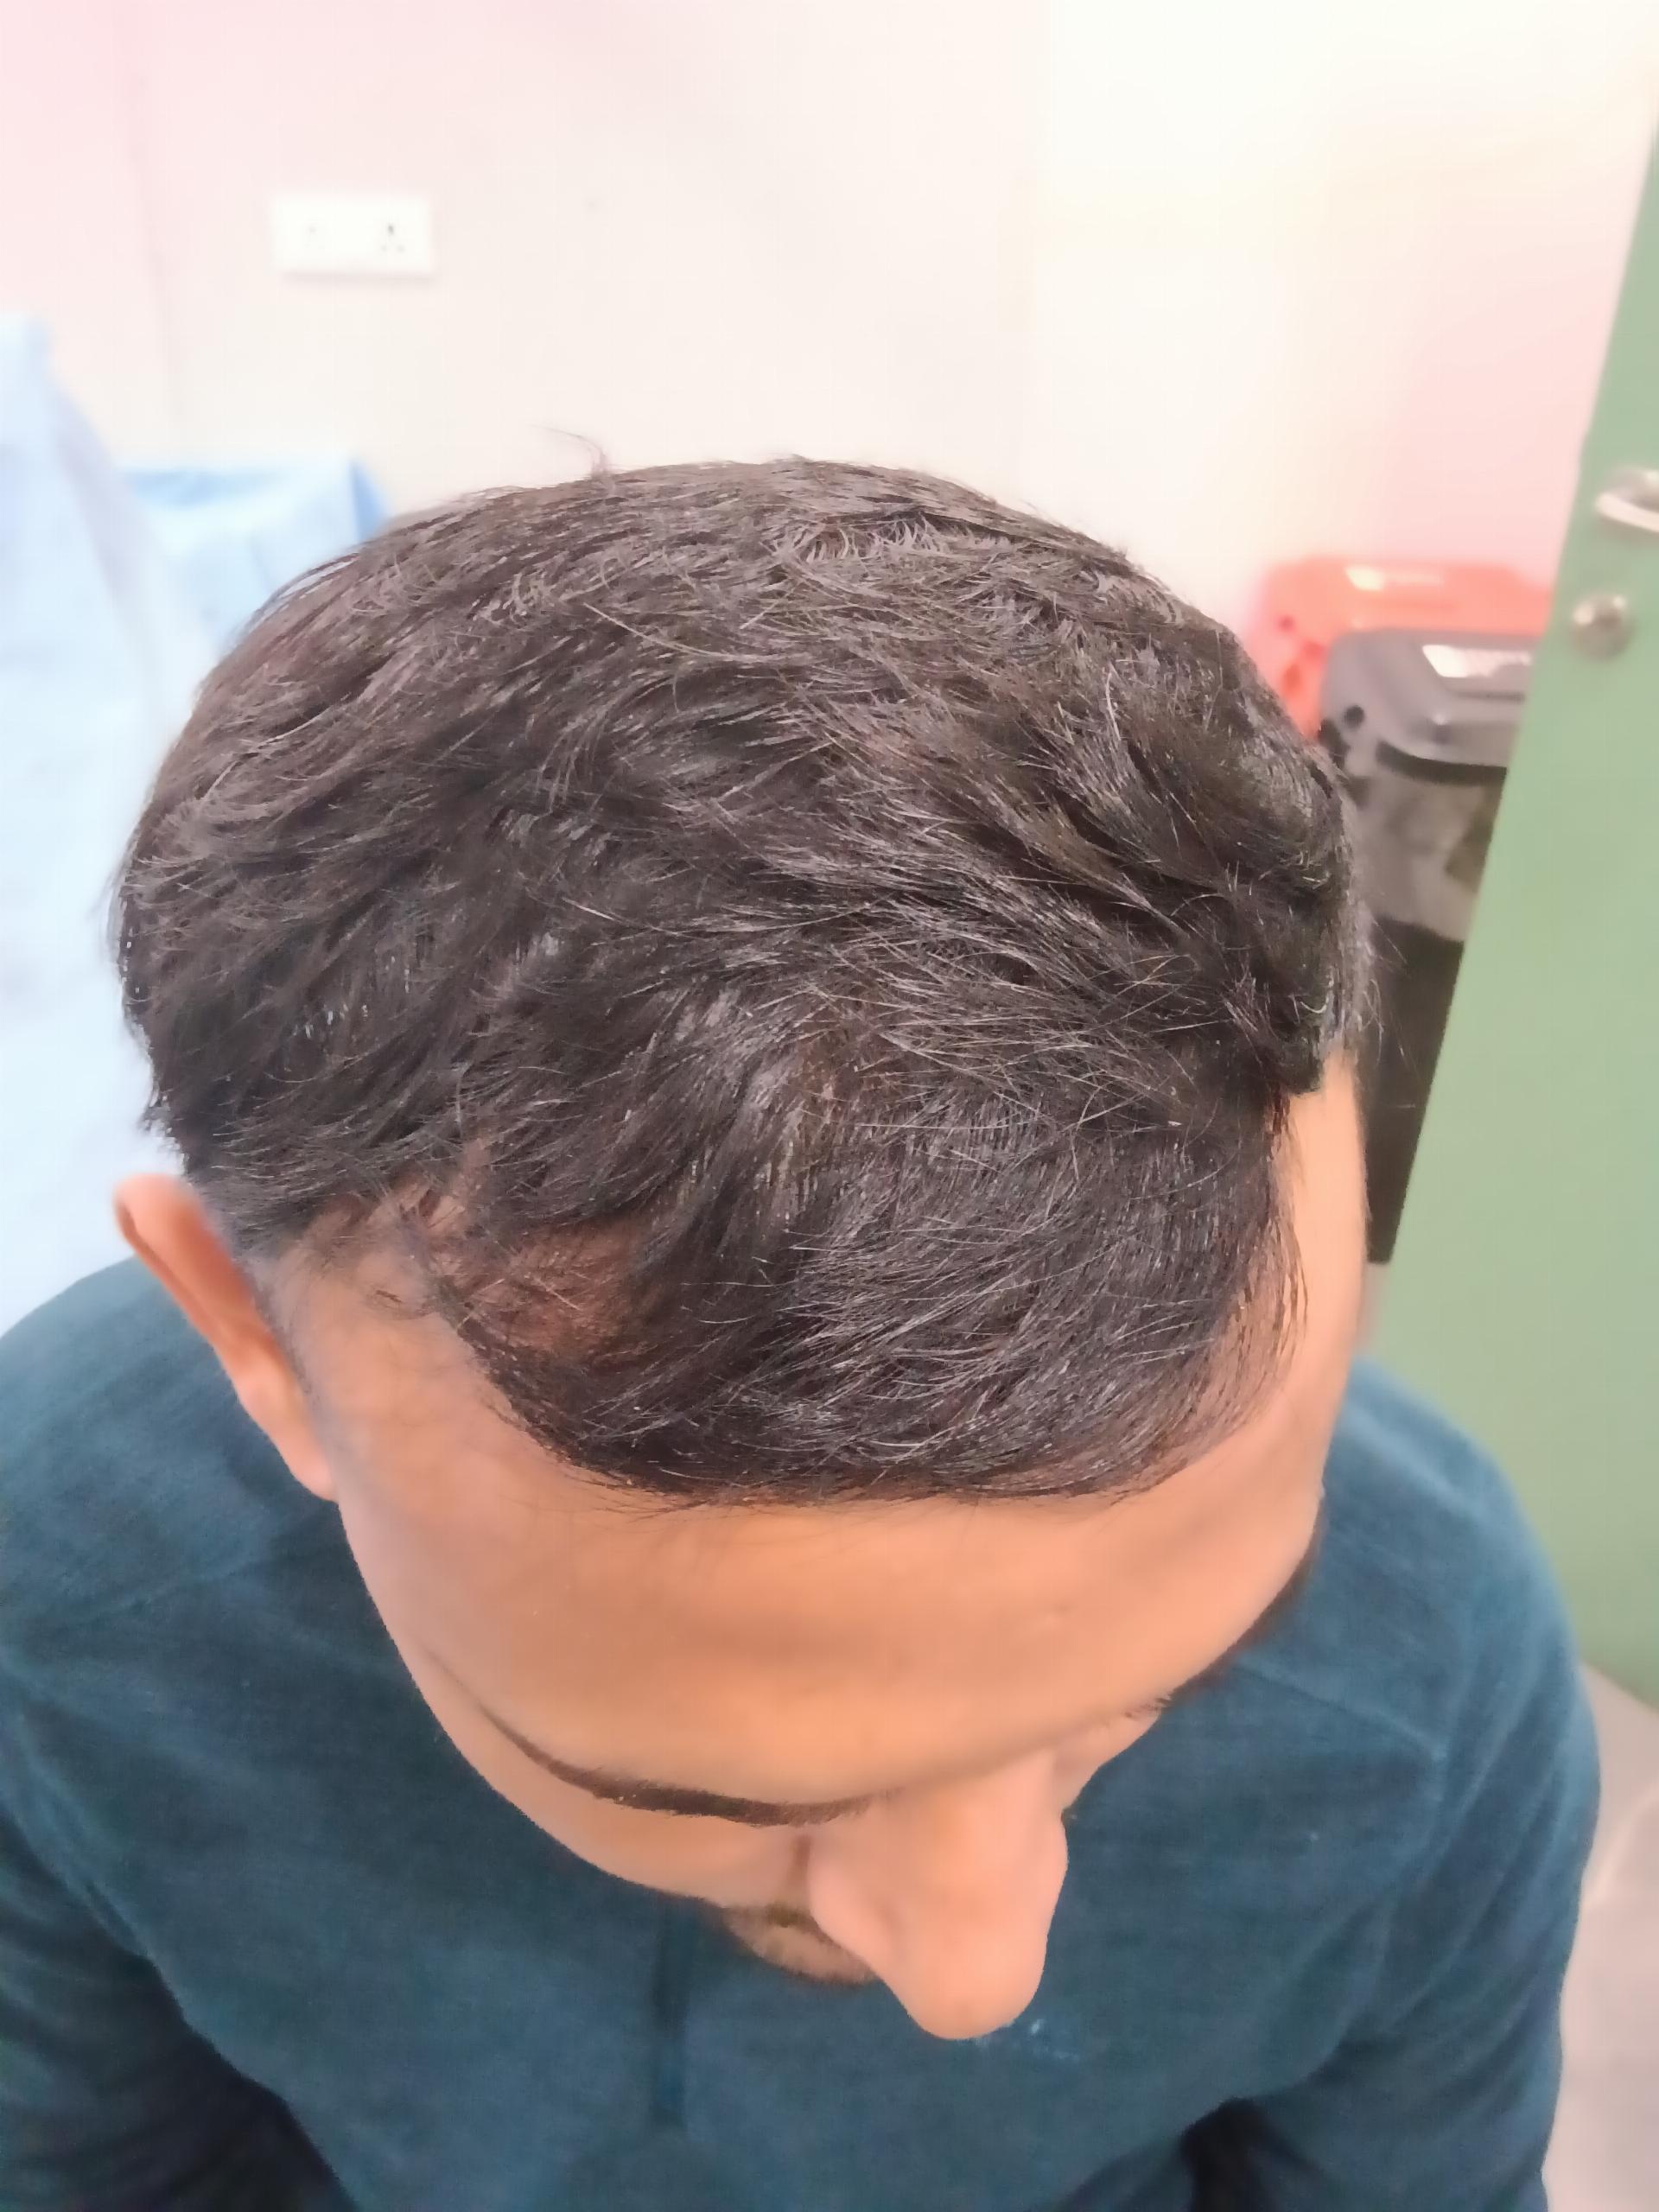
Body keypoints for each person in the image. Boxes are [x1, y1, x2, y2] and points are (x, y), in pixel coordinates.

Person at [0, 461, 1595, 2212]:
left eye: (1168, 1689)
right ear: (253, 1332)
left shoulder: (1435, 1659)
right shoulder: (58, 1589)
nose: (978, 1973)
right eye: (719, 1800)